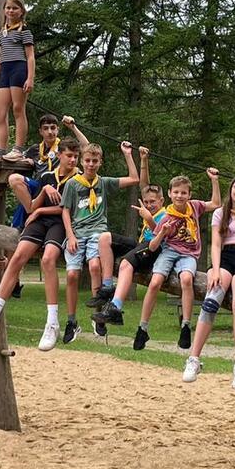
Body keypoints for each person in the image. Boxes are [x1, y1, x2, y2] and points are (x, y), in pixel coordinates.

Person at [0, 138, 81, 349]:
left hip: (61, 222)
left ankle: (52, 323)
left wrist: (40, 210)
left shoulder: (77, 180)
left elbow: (67, 210)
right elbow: (32, 206)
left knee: (48, 260)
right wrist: (43, 191)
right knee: (18, 257)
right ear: (60, 156)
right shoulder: (47, 175)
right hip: (39, 221)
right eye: (69, 155)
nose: (73, 160)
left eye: (76, 157)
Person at [182, 175, 235, 385]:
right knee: (211, 301)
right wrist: (216, 270)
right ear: (231, 189)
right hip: (225, 259)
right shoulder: (221, 212)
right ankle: (194, 358)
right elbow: (216, 244)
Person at [59, 141, 141, 344]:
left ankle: (99, 317)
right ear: (82, 161)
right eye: (87, 160)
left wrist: (127, 154)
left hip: (97, 233)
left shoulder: (103, 182)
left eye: (95, 161)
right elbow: (65, 210)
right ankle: (71, 320)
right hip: (77, 233)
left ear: (100, 162)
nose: (91, 164)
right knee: (71, 274)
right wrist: (70, 235)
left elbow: (134, 178)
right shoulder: (73, 184)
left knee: (95, 265)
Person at [131, 170, 222, 352]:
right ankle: (142, 327)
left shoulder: (194, 207)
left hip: (189, 254)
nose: (180, 196)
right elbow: (153, 247)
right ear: (170, 194)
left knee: (187, 279)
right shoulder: (166, 216)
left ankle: (186, 326)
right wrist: (163, 232)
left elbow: (216, 203)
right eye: (176, 192)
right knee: (155, 282)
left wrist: (214, 180)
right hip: (169, 250)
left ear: (189, 195)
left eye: (183, 193)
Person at [91, 178, 166, 333]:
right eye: (146, 202)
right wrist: (143, 159)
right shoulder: (149, 209)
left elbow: (161, 235)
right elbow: (144, 180)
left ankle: (115, 308)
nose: (149, 205)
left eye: (152, 202)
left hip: (155, 249)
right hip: (142, 244)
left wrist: (149, 219)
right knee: (104, 238)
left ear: (162, 200)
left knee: (126, 264)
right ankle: (107, 286)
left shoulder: (166, 214)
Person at [0, 0, 35, 160]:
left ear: (21, 11)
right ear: (4, 10)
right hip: (5, 70)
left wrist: (30, 78)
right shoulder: (1, 32)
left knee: (18, 109)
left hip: (19, 69)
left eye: (15, 8)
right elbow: (1, 57)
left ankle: (18, 149)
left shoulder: (24, 31)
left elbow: (31, 56)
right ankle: (0, 150)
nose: (11, 11)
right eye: (8, 8)